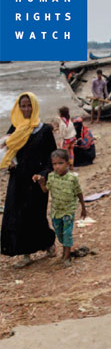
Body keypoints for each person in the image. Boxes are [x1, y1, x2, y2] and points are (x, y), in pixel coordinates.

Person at [0, 92, 56, 267]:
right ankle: (25, 253)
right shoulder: (15, 128)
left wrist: (45, 175)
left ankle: (48, 243)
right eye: (22, 106)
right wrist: (8, 163)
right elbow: (9, 151)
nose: (26, 109)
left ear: (34, 107)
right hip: (18, 180)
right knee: (17, 215)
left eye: (28, 105)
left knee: (36, 214)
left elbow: (51, 156)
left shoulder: (44, 130)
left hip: (36, 180)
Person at [32, 149, 86, 267]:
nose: (57, 167)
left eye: (60, 163)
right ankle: (66, 249)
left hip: (68, 211)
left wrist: (83, 207)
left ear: (67, 163)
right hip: (56, 212)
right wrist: (41, 182)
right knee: (60, 234)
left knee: (67, 233)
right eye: (54, 164)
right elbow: (45, 190)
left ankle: (66, 256)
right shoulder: (51, 177)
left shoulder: (72, 178)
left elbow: (79, 192)